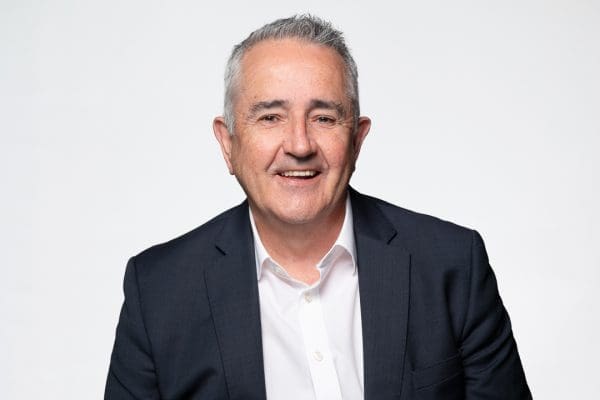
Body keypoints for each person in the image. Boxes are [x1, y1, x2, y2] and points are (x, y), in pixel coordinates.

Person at [105, 15, 531, 400]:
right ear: (227, 143)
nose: (299, 145)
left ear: (357, 139)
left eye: (324, 118)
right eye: (270, 117)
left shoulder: (452, 266)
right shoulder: (158, 293)